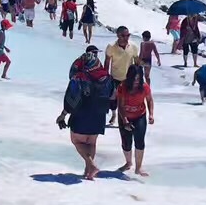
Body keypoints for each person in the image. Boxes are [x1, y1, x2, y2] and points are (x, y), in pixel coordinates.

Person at [57, 48, 114, 180]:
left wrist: (63, 114)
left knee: (76, 141)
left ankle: (91, 165)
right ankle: (88, 172)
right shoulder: (106, 77)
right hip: (99, 115)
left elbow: (71, 98)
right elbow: (112, 96)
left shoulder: (79, 78)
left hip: (82, 113)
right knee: (91, 143)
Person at [115, 64, 154, 177]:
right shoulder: (123, 86)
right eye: (134, 78)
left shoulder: (144, 87)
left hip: (140, 116)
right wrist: (125, 120)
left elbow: (150, 100)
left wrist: (151, 114)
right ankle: (128, 163)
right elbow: (120, 105)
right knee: (126, 142)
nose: (137, 81)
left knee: (139, 140)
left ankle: (138, 167)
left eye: (139, 78)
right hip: (124, 116)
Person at [103, 26, 139, 125]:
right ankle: (114, 113)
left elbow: (137, 63)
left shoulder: (134, 46)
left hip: (129, 79)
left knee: (127, 100)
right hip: (115, 78)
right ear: (118, 35)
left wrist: (138, 77)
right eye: (123, 35)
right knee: (113, 99)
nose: (126, 37)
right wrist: (105, 77)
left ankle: (124, 120)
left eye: (128, 35)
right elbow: (107, 63)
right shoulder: (111, 46)